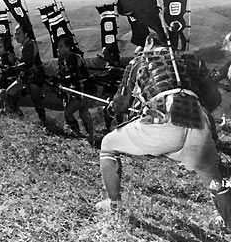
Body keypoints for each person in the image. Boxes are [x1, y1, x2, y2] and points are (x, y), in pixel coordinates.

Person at [98, 33, 231, 229]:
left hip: (161, 120)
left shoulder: (139, 61)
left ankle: (114, 203)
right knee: (214, 179)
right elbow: (214, 99)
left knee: (108, 144)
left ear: (150, 41)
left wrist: (112, 108)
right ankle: (229, 222)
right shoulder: (193, 59)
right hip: (198, 122)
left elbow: (120, 104)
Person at [56, 36, 95, 145]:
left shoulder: (72, 58)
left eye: (61, 46)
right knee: (83, 113)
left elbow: (74, 76)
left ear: (68, 47)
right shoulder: (67, 58)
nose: (58, 49)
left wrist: (62, 80)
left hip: (81, 90)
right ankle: (90, 136)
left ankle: (79, 135)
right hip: (80, 90)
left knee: (68, 113)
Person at [6, 25, 47, 125]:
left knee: (36, 98)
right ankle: (18, 117)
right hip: (27, 76)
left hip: (34, 77)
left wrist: (13, 68)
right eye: (15, 34)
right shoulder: (25, 45)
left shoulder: (29, 45)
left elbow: (28, 64)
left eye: (18, 33)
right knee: (10, 91)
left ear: (26, 34)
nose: (16, 36)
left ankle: (43, 122)